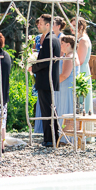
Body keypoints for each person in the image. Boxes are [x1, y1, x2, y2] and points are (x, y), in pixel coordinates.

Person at [33, 14, 61, 147]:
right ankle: (52, 137)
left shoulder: (50, 39)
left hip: (46, 80)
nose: (38, 25)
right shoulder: (53, 38)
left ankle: (50, 139)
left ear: (48, 25)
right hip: (47, 79)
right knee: (49, 109)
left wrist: (32, 67)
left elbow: (44, 62)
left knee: (47, 110)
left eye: (41, 23)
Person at [56, 35, 80, 144]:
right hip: (67, 87)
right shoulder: (73, 55)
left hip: (65, 87)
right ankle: (67, 136)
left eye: (62, 43)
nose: (60, 45)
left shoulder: (69, 56)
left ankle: (65, 137)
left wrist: (52, 83)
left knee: (65, 110)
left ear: (68, 44)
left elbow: (65, 75)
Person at [72, 17, 93, 113]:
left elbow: (80, 60)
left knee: (81, 99)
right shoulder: (78, 39)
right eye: (71, 25)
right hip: (78, 68)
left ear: (81, 27)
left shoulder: (83, 40)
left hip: (81, 71)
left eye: (74, 26)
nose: (72, 28)